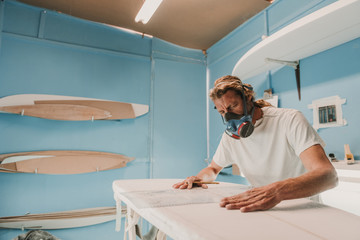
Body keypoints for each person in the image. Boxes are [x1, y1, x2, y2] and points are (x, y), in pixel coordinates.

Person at [173, 75, 338, 212]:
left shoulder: (289, 119)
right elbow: (213, 169)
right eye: (223, 112)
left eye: (233, 106)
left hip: (303, 208)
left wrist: (277, 191)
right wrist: (199, 179)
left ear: (248, 98)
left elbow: (328, 176)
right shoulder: (231, 137)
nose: (229, 117)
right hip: (261, 207)